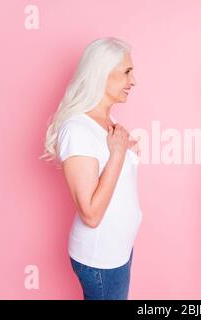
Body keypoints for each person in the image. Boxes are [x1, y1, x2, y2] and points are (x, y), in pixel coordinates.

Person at [41, 37, 142, 300]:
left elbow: (114, 178)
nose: (134, 81)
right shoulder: (76, 129)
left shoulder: (107, 121)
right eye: (127, 72)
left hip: (117, 251)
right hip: (100, 258)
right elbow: (91, 214)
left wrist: (125, 152)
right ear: (102, 74)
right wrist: (118, 155)